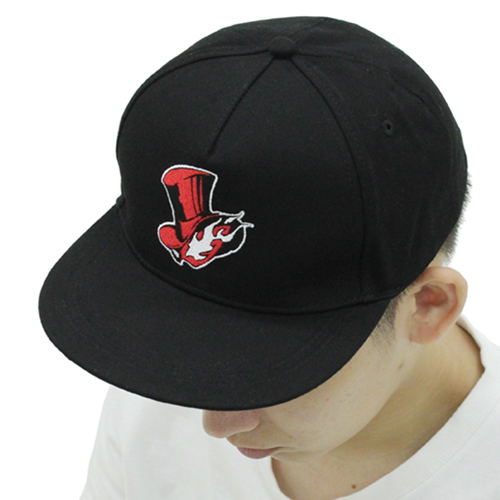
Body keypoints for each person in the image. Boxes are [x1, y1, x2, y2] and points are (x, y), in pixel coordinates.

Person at [37, 16, 500, 500]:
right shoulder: (155, 391)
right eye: (183, 340)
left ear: (428, 305)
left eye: (266, 371)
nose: (214, 424)